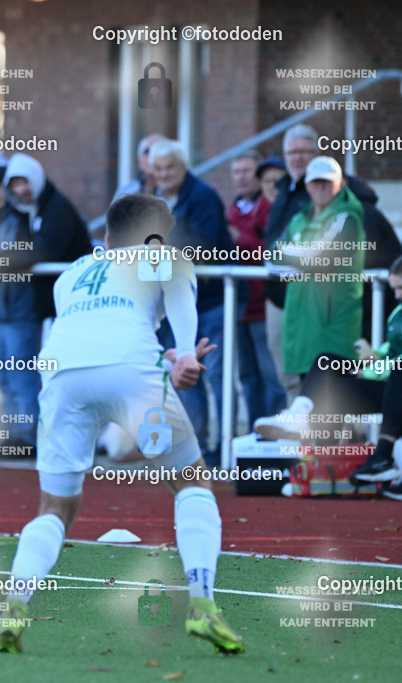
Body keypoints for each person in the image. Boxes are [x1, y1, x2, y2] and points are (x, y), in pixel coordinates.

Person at [0, 194, 243, 655]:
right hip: (133, 376)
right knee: (192, 483)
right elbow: (178, 298)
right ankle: (203, 604)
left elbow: (99, 332)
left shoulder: (74, 273)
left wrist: (162, 358)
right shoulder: (163, 255)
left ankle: (14, 606)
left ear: (105, 237)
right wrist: (184, 355)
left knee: (54, 508)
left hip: (64, 376)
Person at [256, 253, 402, 500]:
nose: (397, 295)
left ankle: (374, 459)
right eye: (394, 288)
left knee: (400, 376)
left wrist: (369, 370)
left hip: (401, 384)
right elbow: (392, 349)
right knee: (326, 365)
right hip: (389, 381)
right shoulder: (400, 312)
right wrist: (373, 355)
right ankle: (302, 425)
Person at [150, 139, 233, 467]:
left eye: (170, 166)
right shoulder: (156, 199)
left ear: (183, 166)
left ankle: (224, 446)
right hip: (174, 304)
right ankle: (194, 447)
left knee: (216, 376)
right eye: (158, 168)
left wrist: (163, 252)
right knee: (183, 375)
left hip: (209, 302)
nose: (164, 173)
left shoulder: (203, 197)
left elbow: (204, 245)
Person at [269, 156, 364, 378]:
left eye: (327, 182)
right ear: (307, 185)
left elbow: (321, 257)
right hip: (302, 321)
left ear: (341, 184)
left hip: (333, 325)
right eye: (316, 182)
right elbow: (272, 255)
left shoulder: (346, 218)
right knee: (306, 402)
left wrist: (293, 254)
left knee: (335, 405)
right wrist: (303, 257)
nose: (321, 187)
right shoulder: (300, 218)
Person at [0, 165, 39, 455]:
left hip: (19, 309)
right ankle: (15, 437)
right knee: (6, 379)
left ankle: (27, 437)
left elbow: (30, 252)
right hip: (0, 310)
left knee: (21, 377)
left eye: (0, 185)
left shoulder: (23, 219)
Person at [227, 151, 287, 425]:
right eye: (236, 171)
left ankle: (275, 434)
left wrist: (242, 241)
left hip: (263, 303)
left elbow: (273, 251)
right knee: (247, 375)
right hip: (238, 304)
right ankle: (255, 431)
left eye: (247, 171)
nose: (241, 177)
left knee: (271, 373)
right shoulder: (232, 210)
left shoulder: (271, 207)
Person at [3, 153, 91, 324]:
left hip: (69, 300)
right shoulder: (28, 210)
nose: (22, 190)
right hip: (53, 302)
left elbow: (44, 251)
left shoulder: (57, 209)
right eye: (16, 185)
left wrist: (0, 262)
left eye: (24, 182)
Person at [113, 132, 167, 200]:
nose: (152, 157)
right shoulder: (127, 192)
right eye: (147, 152)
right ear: (139, 161)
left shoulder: (178, 192)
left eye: (157, 151)